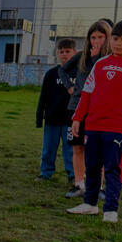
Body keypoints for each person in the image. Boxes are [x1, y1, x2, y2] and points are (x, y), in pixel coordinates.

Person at [67, 20, 122, 223]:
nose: (118, 43)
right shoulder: (101, 64)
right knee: (92, 165)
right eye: (115, 38)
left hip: (118, 128)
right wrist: (77, 118)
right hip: (94, 125)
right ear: (110, 39)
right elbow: (86, 94)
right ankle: (90, 204)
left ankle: (111, 210)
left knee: (112, 168)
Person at [59, 20, 112, 198]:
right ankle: (79, 184)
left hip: (99, 109)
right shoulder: (81, 56)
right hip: (75, 108)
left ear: (108, 38)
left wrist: (97, 57)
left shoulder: (110, 59)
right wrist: (69, 87)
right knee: (78, 147)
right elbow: (62, 70)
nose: (96, 41)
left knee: (98, 149)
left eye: (100, 37)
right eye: (93, 37)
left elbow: (99, 77)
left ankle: (98, 186)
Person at [35, 38, 76, 181]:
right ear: (57, 53)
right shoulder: (51, 74)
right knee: (48, 149)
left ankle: (73, 175)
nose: (64, 54)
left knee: (70, 150)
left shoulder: (79, 74)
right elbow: (43, 98)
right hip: (52, 119)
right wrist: (39, 117)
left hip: (70, 121)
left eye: (68, 51)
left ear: (74, 53)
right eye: (61, 52)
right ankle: (45, 173)